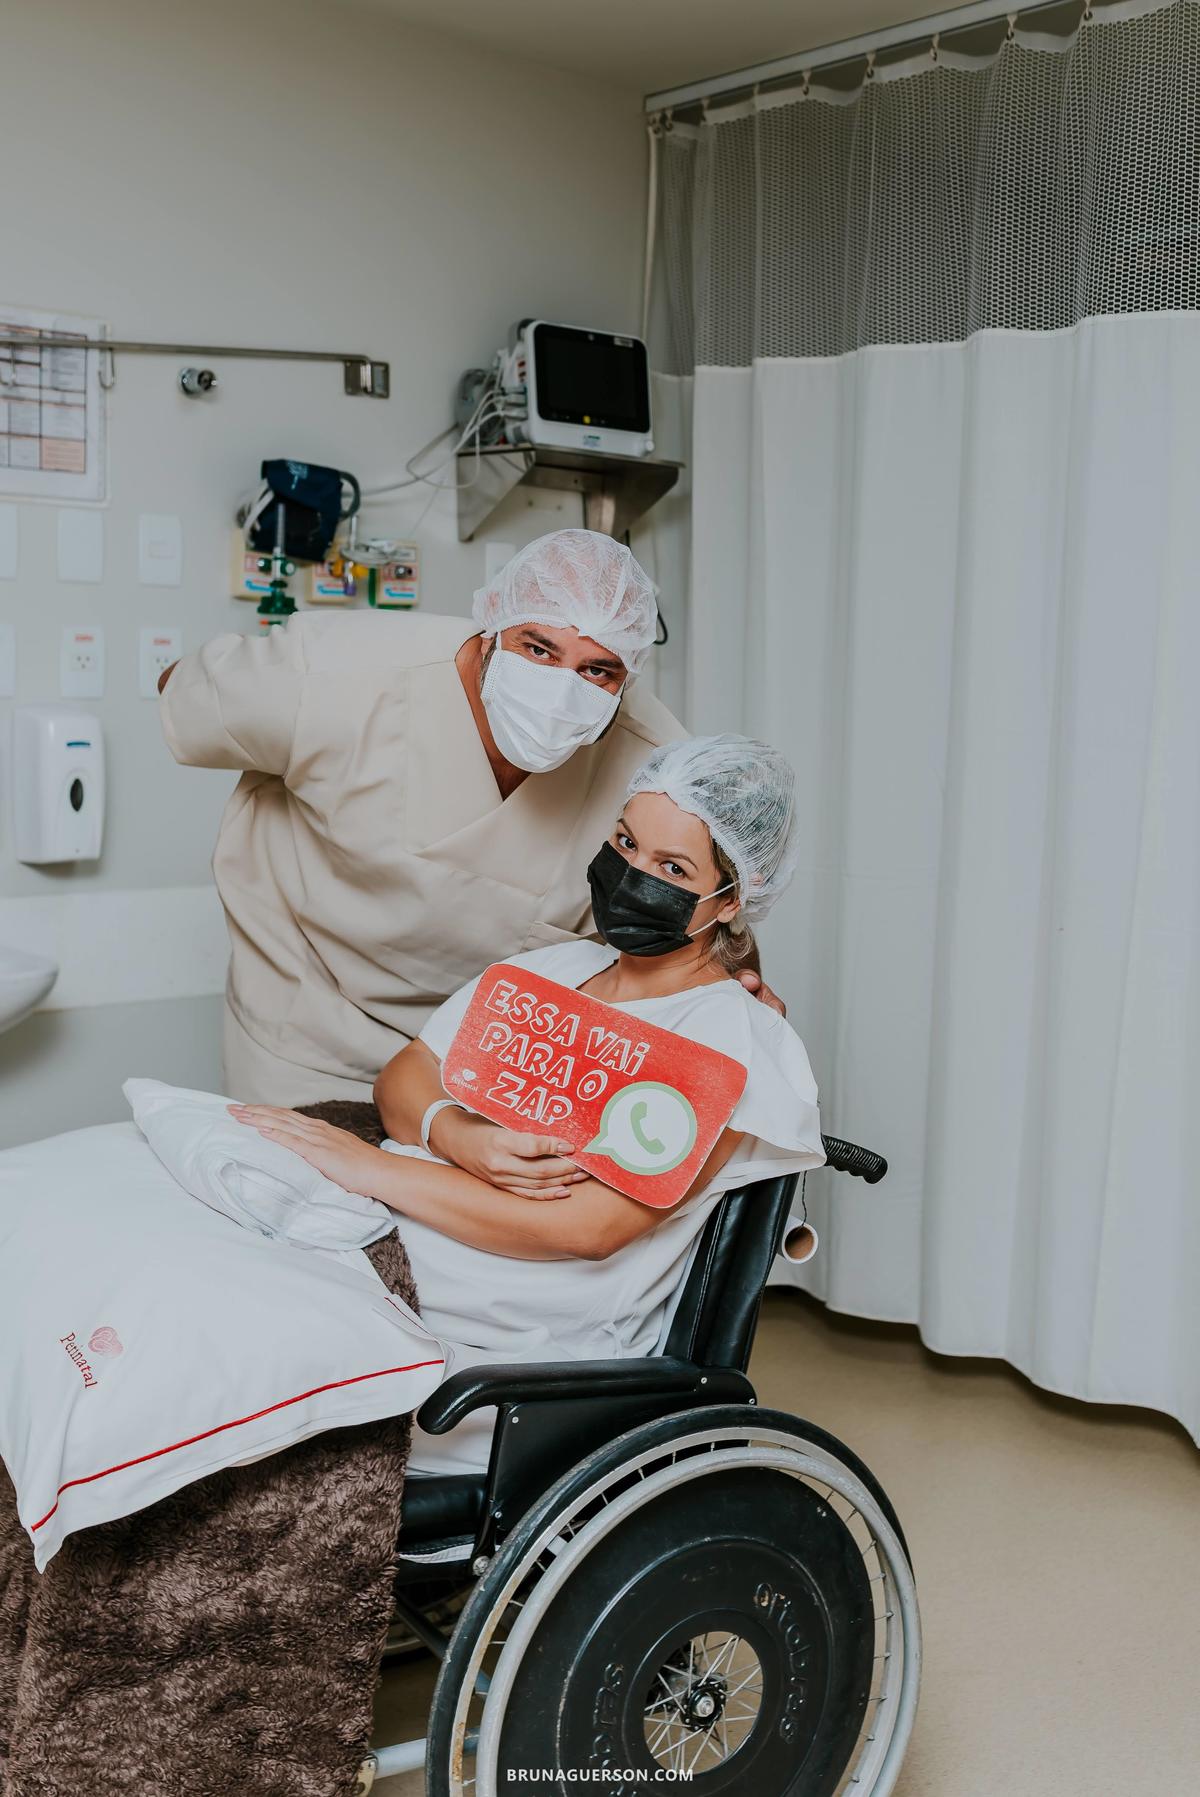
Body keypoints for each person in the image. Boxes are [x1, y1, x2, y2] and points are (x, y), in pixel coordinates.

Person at [230, 734, 825, 1474]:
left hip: (510, 1324)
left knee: (231, 1334)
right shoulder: (549, 970)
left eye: (672, 867)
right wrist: (458, 1136)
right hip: (389, 1236)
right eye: (625, 843)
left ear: (732, 898)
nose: (633, 875)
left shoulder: (725, 1039)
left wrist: (367, 1169)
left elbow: (587, 1227)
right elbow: (405, 1077)